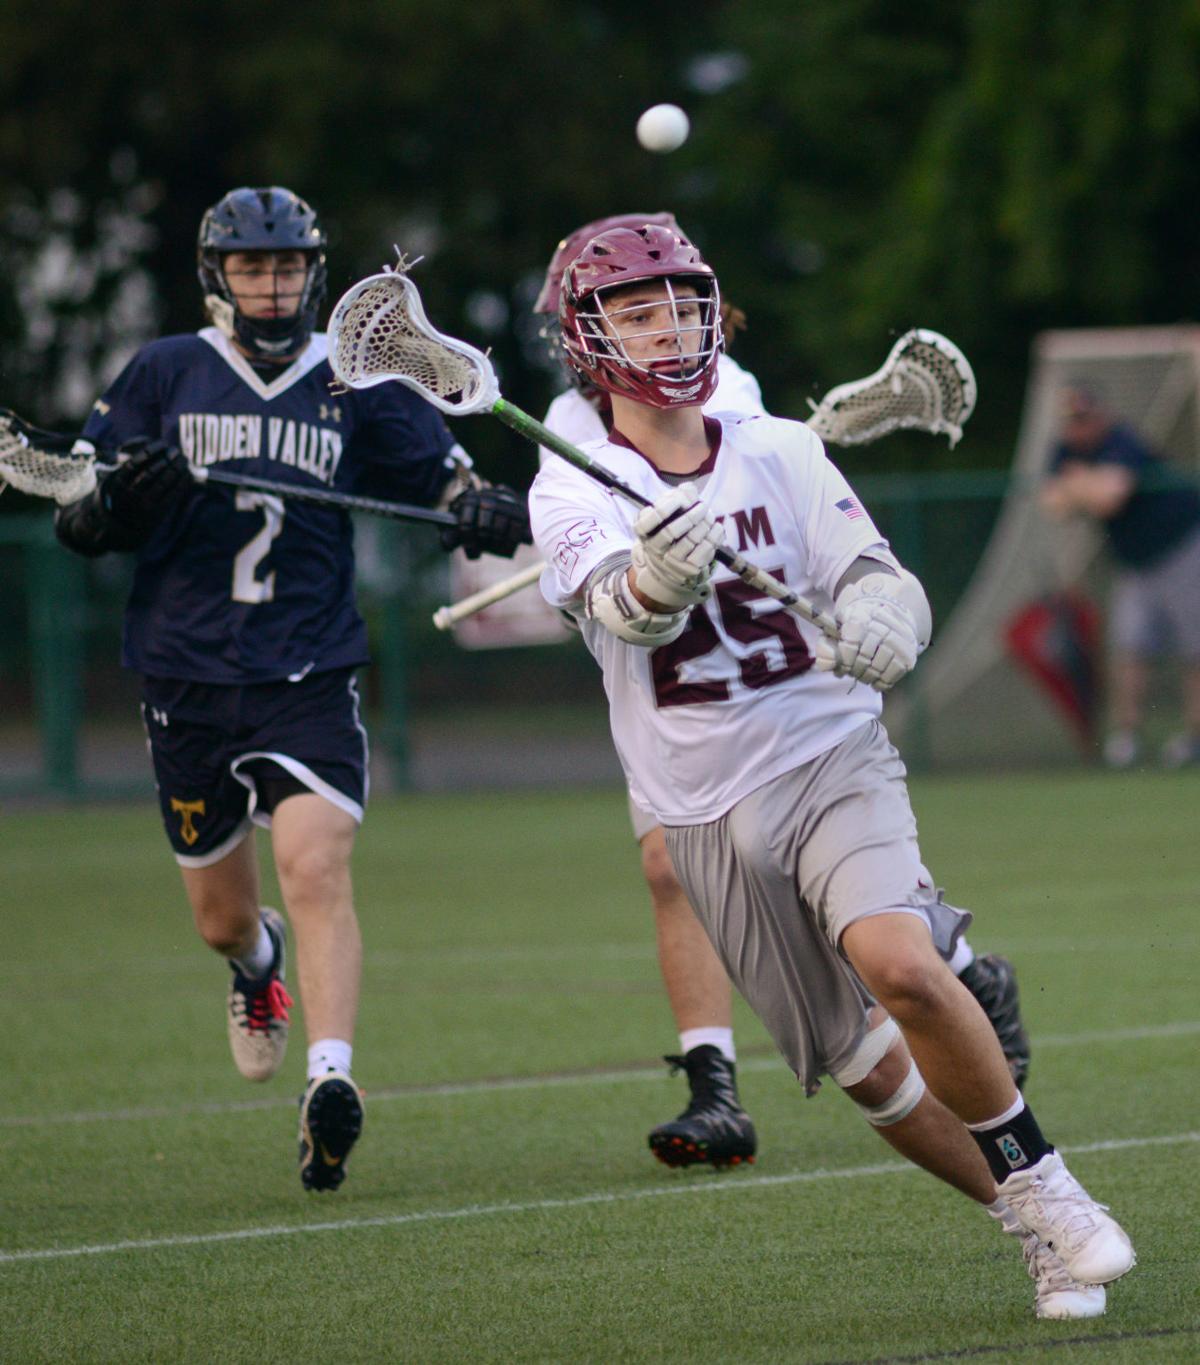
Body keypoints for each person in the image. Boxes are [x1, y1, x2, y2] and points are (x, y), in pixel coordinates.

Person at [529, 224, 1134, 1318]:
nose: (670, 324)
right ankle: (1029, 1222)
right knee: (867, 1071)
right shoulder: (573, 485)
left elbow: (874, 574)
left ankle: (1050, 1179)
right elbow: (613, 606)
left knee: (898, 965)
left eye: (682, 301)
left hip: (826, 751)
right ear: (588, 336)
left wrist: (885, 617)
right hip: (702, 807)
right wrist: (657, 575)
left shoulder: (777, 449)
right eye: (639, 309)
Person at [53, 186, 530, 1192]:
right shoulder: (164, 371)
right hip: (185, 672)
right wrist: (112, 509)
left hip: (307, 669)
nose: (271, 286)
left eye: (287, 267)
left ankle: (330, 1082)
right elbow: (81, 512)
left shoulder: (352, 377)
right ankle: (255, 968)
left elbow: (442, 478)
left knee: (315, 863)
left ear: (312, 273)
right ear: (215, 274)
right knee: (223, 920)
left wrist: (474, 505)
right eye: (251, 267)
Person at [1040, 382, 1200, 769]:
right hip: (1134, 563)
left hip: (1182, 548)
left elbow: (1109, 499)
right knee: (1128, 649)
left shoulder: (1121, 441)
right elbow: (1053, 505)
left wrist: (1076, 483)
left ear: (1100, 416)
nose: (1076, 429)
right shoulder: (1065, 451)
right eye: (1069, 422)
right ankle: (1126, 738)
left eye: (1082, 419)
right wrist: (1087, 486)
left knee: (1195, 647)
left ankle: (1195, 737)